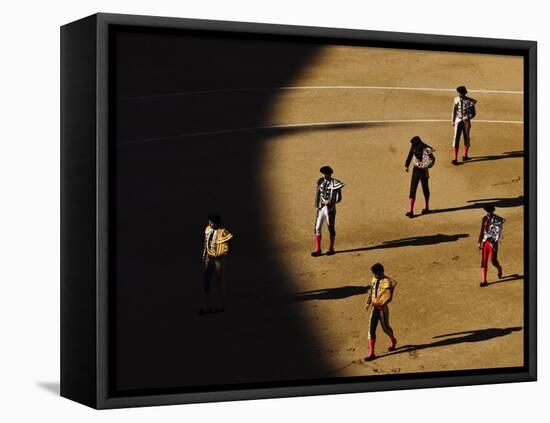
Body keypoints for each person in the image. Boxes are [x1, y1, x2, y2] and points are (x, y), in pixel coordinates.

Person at [200, 214, 233, 315]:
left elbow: (227, 250)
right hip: (209, 260)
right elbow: (206, 245)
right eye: (209, 221)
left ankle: (220, 306)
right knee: (206, 283)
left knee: (219, 283)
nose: (209, 223)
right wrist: (205, 256)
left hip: (218, 260)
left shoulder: (223, 232)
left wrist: (217, 254)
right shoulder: (208, 229)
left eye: (211, 221)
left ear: (216, 222)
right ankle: (207, 306)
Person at [364, 263, 398, 361]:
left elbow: (388, 297)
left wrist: (380, 301)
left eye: (376, 274)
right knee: (371, 330)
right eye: (374, 274)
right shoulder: (374, 279)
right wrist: (368, 302)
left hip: (383, 309)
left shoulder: (388, 282)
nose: (375, 276)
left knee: (386, 329)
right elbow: (371, 291)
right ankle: (371, 353)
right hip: (375, 308)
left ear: (381, 272)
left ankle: (393, 340)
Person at [311, 165, 345, 257]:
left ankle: (331, 248)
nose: (326, 176)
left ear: (330, 174)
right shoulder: (320, 181)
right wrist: (319, 203)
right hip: (321, 208)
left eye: (328, 174)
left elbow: (339, 198)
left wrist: (331, 202)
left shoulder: (335, 183)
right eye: (325, 174)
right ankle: (318, 249)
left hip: (330, 208)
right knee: (317, 228)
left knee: (331, 228)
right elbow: (318, 193)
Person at [404, 136, 435, 218]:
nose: (412, 146)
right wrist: (406, 165)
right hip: (416, 170)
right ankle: (410, 210)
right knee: (413, 189)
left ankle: (426, 207)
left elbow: (432, 159)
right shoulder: (415, 146)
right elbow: (410, 154)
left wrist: (428, 165)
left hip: (423, 171)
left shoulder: (425, 148)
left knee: (425, 188)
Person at [478, 206, 504, 287]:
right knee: (484, 261)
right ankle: (484, 281)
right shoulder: (484, 218)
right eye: (488, 211)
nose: (489, 213)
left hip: (493, 243)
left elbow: (500, 227)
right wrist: (479, 241)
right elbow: (482, 230)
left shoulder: (497, 219)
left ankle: (499, 268)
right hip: (485, 241)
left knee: (493, 261)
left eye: (490, 211)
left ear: (493, 211)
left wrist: (499, 237)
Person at [452, 85, 477, 165]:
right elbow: (454, 111)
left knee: (466, 138)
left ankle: (465, 155)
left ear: (464, 93)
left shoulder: (470, 101)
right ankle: (455, 158)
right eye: (459, 93)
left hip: (466, 122)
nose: (460, 94)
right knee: (456, 139)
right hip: (458, 121)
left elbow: (473, 113)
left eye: (461, 93)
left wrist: (468, 117)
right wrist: (453, 121)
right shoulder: (456, 100)